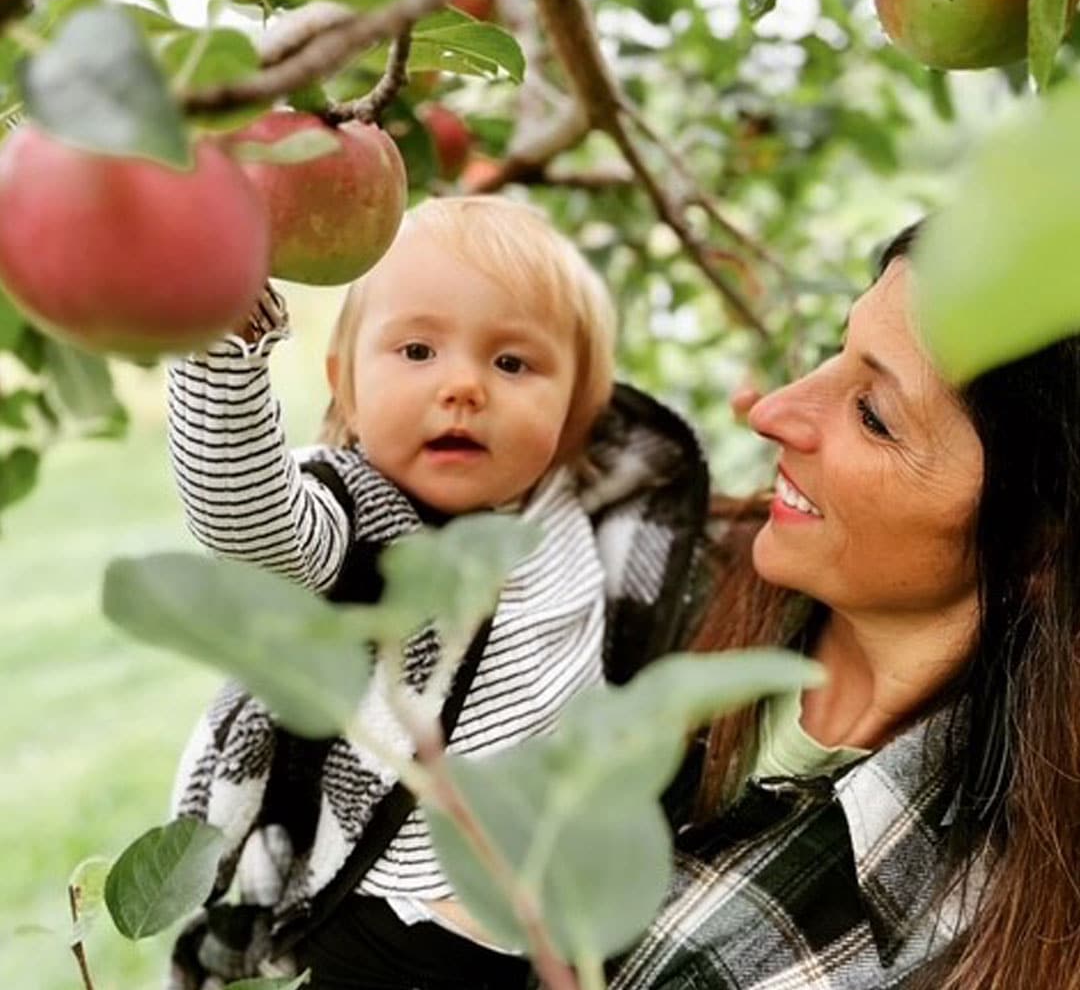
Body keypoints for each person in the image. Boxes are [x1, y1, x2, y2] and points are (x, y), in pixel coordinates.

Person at [163, 195, 710, 989]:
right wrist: (225, 342)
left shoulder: (574, 505)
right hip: (402, 931)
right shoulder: (358, 524)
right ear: (345, 387)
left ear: (576, 408)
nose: (463, 386)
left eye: (512, 363)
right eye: (417, 350)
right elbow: (244, 517)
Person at [611, 222, 1080, 989]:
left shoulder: (983, 939)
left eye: (874, 416)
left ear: (1038, 547)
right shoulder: (653, 578)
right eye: (838, 349)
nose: (773, 412)